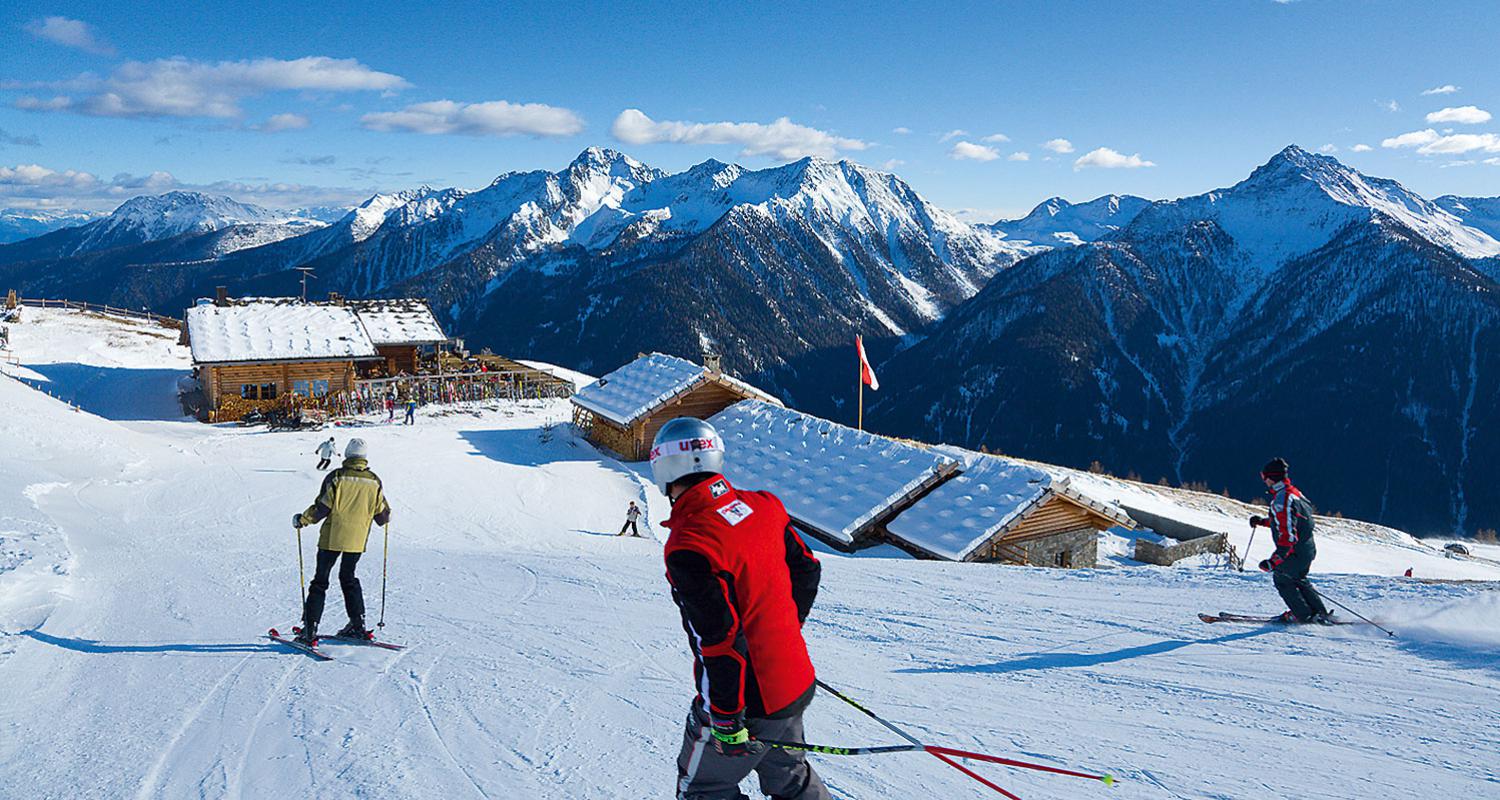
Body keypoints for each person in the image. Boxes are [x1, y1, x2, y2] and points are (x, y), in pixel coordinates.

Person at [651, 417, 830, 800]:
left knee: (702, 788)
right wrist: (779, 633)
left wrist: (727, 718)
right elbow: (808, 569)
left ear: (662, 467)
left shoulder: (690, 543)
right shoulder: (764, 505)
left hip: (749, 700)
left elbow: (718, 640)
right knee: (789, 775)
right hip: (793, 681)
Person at [292, 438, 392, 644]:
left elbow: (322, 507)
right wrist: (385, 515)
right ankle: (358, 625)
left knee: (320, 581)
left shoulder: (337, 477)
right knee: (349, 578)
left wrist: (302, 520)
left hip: (332, 538)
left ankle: (310, 630)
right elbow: (382, 515)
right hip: (357, 541)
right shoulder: (374, 481)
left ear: (347, 454)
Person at [1250, 457, 1332, 624]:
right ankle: (1319, 613)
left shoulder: (1282, 500)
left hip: (1294, 551)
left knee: (1282, 578)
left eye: (1264, 477)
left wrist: (1274, 561)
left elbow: (1288, 535)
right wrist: (1264, 522)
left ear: (1271, 478)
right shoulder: (1294, 493)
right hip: (1307, 548)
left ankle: (1302, 615)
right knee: (1298, 578)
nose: (1264, 481)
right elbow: (1294, 521)